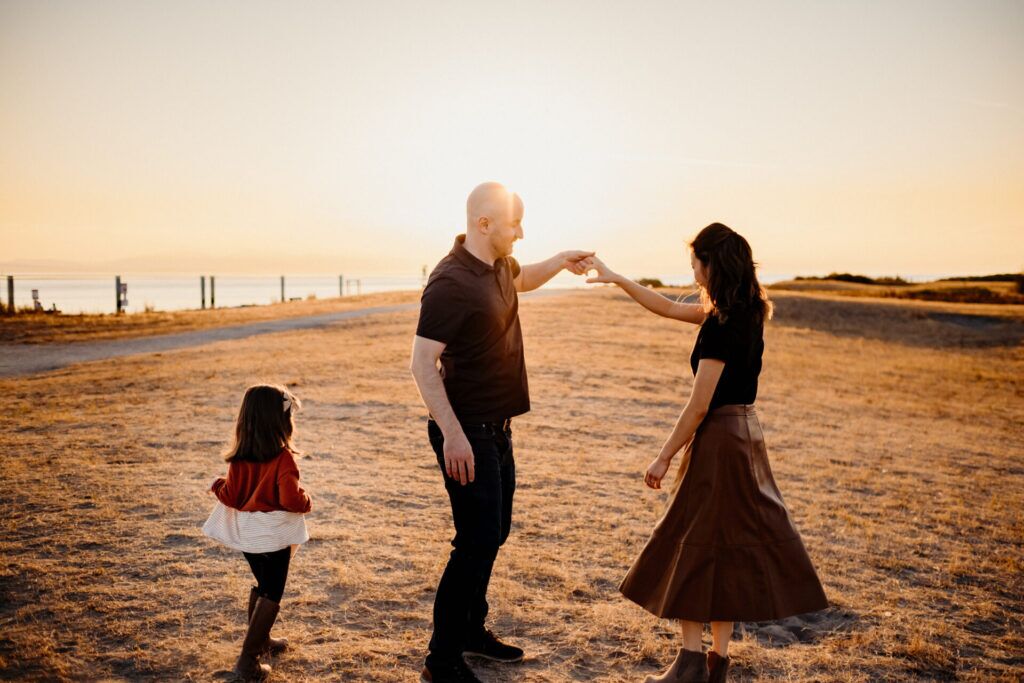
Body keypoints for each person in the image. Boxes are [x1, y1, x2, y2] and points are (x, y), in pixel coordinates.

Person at [583, 223, 828, 683]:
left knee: (692, 542)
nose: (691, 269)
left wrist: (663, 456)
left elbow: (699, 405)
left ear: (712, 264)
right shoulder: (746, 312)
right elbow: (667, 307)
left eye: (695, 261)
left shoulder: (720, 326)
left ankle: (690, 663)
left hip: (718, 440)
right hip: (745, 436)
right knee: (724, 547)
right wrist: (615, 277)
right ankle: (716, 661)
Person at [410, 182, 594, 683]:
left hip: (497, 429)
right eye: (515, 223)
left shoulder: (496, 265)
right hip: (466, 432)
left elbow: (523, 277)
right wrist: (452, 434)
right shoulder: (450, 282)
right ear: (484, 224)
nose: (521, 232)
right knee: (475, 541)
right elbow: (422, 363)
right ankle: (441, 662)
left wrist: (559, 260)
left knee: (493, 534)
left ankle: (472, 630)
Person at [202, 384, 312, 682]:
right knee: (272, 591)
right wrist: (306, 501)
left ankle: (262, 640)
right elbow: (291, 500)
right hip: (274, 537)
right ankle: (247, 664)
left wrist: (217, 486)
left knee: (263, 584)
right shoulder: (283, 459)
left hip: (249, 538)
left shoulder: (238, 460)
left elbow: (233, 497)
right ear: (282, 422)